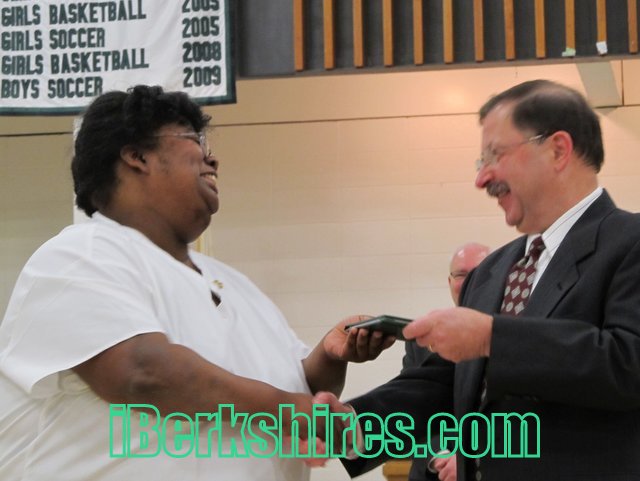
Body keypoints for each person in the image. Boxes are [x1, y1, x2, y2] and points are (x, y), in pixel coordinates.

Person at [0, 85, 394, 481]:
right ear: (137, 156)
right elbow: (143, 373)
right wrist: (293, 411)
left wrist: (328, 358)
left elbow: (297, 390)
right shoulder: (80, 254)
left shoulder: (232, 283)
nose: (212, 158)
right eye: (194, 140)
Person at [316, 79, 640, 481]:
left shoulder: (630, 243)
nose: (482, 178)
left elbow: (628, 362)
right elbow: (444, 385)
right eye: (479, 162)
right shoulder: (490, 273)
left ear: (558, 150)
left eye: (496, 155)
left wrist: (492, 338)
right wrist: (354, 425)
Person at [402, 242, 489, 481]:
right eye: (461, 274)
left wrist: (469, 457)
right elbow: (414, 412)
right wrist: (441, 454)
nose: (469, 281)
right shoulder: (421, 340)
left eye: (479, 273)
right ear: (449, 282)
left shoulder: (511, 336)